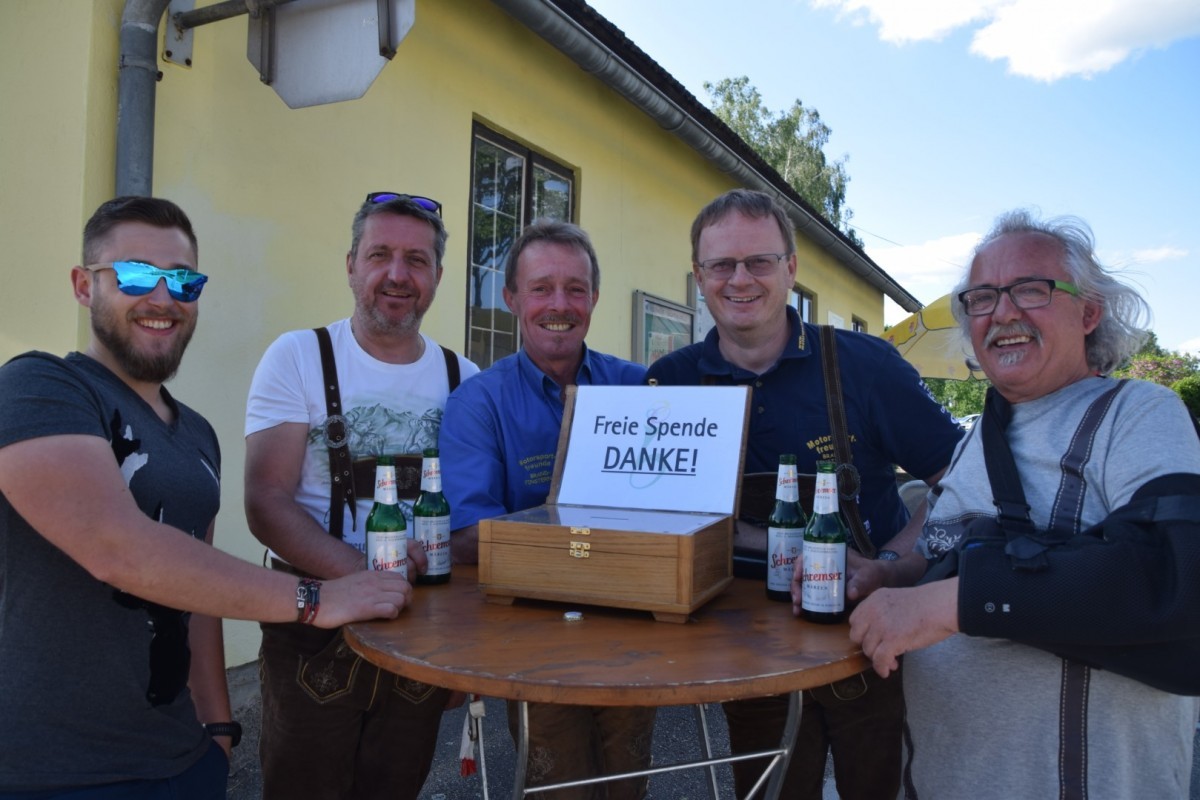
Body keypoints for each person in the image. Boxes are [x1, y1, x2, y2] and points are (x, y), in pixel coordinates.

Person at [0, 197, 415, 799]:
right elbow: (117, 547)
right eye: (136, 274)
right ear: (84, 286)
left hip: (179, 759)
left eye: (183, 281)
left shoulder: (196, 433)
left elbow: (197, 599)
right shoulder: (39, 387)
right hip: (49, 770)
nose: (162, 298)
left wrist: (218, 729)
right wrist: (315, 598)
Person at [847, 210, 1200, 798]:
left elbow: (1177, 574)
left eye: (1031, 290)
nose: (1003, 312)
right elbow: (945, 552)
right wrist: (888, 573)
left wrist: (954, 605)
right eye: (982, 298)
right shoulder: (977, 438)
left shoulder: (1137, 413)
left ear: (1089, 313)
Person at [646, 188, 963, 799]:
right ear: (699, 277)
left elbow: (959, 483)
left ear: (791, 268)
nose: (740, 279)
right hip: (742, 650)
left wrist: (890, 566)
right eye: (721, 265)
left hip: (865, 639)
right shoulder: (669, 382)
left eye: (759, 261)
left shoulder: (865, 366)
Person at [244, 192, 479, 800]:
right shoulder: (297, 356)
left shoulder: (466, 379)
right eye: (380, 255)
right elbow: (266, 501)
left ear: (438, 276)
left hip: (423, 624)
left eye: (416, 260)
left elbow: (473, 518)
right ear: (351, 265)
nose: (397, 274)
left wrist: (464, 647)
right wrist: (364, 580)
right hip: (312, 623)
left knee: (396, 785)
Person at [439, 220, 655, 799]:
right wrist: (603, 541)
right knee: (555, 785)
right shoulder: (477, 402)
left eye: (575, 289)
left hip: (634, 633)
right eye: (541, 289)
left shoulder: (641, 389)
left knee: (629, 780)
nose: (559, 305)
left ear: (594, 298)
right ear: (511, 298)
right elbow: (468, 536)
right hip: (534, 639)